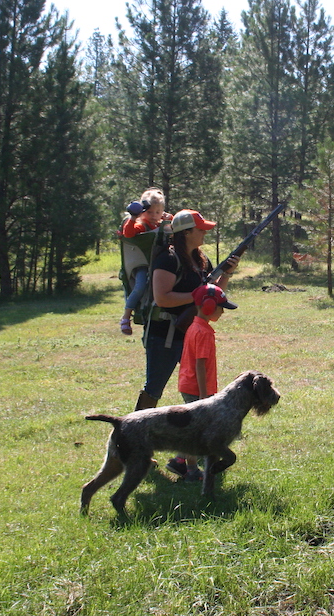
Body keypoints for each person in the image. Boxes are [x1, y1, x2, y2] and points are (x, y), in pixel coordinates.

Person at [135, 209, 239, 412]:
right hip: (163, 332)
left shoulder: (201, 259)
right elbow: (162, 297)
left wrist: (226, 274)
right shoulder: (167, 258)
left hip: (190, 332)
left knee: (197, 385)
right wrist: (196, 295)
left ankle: (200, 424)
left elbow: (212, 294)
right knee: (154, 388)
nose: (205, 233)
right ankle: (133, 428)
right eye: (200, 229)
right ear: (186, 232)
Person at [166, 283, 238, 481]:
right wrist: (205, 396)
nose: (223, 312)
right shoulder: (204, 333)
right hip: (197, 388)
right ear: (208, 306)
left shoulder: (194, 326)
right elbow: (200, 364)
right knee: (196, 432)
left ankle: (180, 461)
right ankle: (190, 470)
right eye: (221, 307)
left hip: (188, 384)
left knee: (194, 428)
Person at [119, 188, 169, 336]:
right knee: (140, 286)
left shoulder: (159, 224)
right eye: (150, 212)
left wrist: (167, 218)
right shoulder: (142, 225)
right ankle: (126, 316)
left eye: (158, 212)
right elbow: (128, 233)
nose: (154, 216)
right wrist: (133, 218)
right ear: (142, 211)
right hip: (142, 264)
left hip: (157, 264)